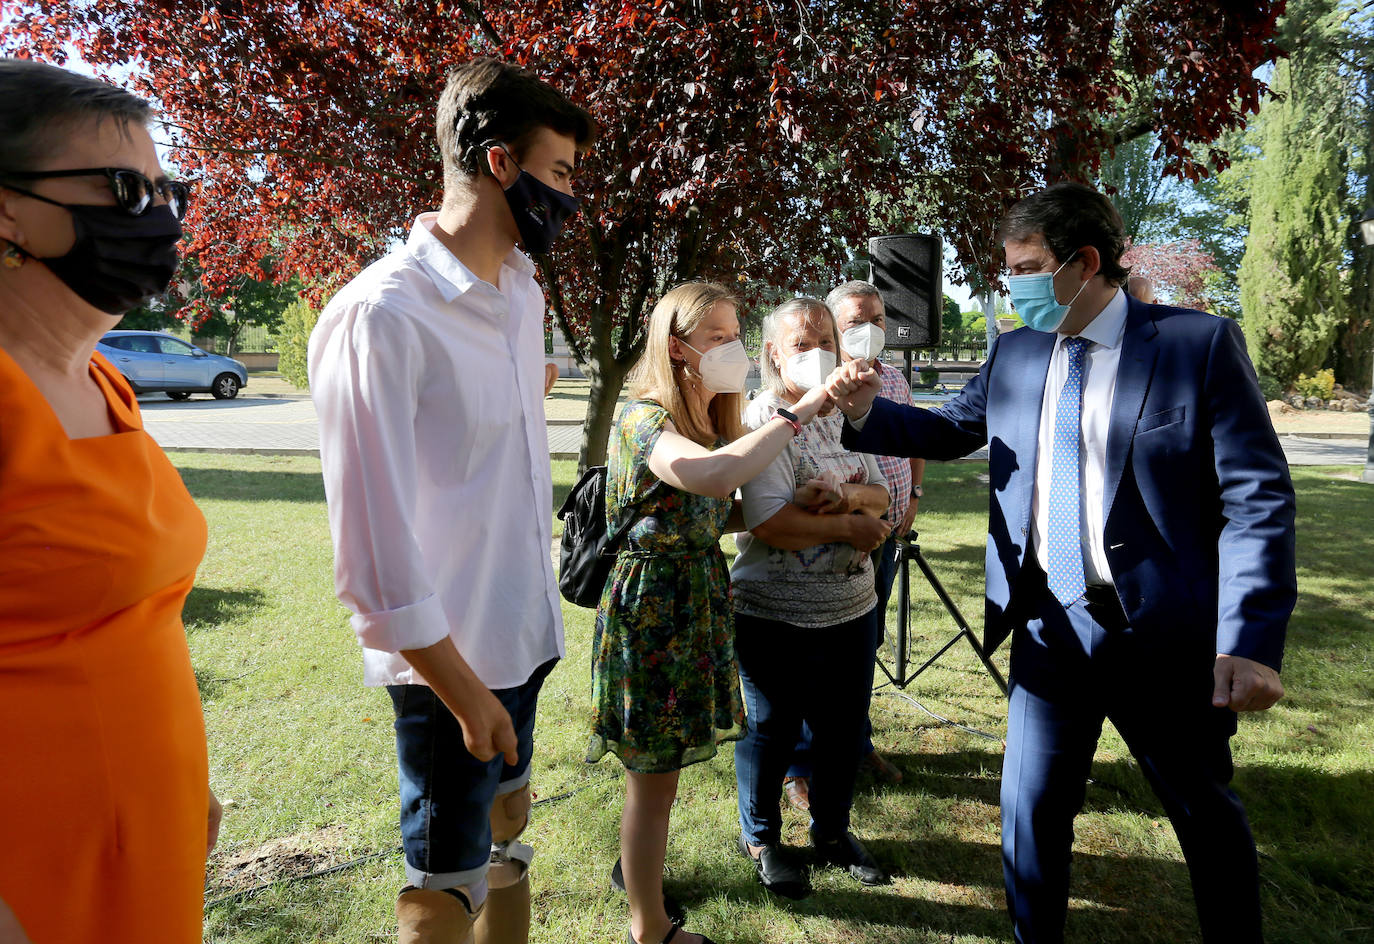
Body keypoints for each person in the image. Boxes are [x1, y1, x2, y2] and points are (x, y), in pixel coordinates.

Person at [827, 181, 1296, 943]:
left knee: (1203, 815)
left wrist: (1247, 639)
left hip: (1166, 638)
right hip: (1048, 629)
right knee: (1030, 815)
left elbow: (1258, 499)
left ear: (1085, 262)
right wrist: (861, 413)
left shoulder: (1194, 345)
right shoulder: (1014, 349)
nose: (1011, 284)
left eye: (1025, 266)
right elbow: (952, 430)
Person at [308, 58, 594, 944]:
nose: (572, 199)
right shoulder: (382, 315)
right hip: (450, 669)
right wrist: (467, 697)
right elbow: (374, 560)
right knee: (442, 892)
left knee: (507, 848)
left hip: (523, 636)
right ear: (500, 164)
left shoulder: (521, 294)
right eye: (562, 174)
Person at [0, 59, 220, 943]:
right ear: (8, 206)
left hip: (149, 843)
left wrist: (186, 783)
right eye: (125, 188)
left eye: (169, 189)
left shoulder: (100, 379)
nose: (159, 218)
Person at [589, 282, 832, 944]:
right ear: (678, 347)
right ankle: (649, 928)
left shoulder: (703, 420)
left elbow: (706, 510)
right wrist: (796, 414)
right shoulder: (643, 420)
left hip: (692, 602)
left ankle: (638, 883)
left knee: (660, 778)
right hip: (653, 616)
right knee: (653, 782)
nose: (734, 349)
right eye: (718, 337)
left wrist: (798, 502)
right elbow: (708, 478)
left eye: (735, 335)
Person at [731, 297, 894, 900]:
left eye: (824, 337)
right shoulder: (763, 419)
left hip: (851, 607)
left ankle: (831, 833)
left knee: (840, 726)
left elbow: (880, 497)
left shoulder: (845, 417)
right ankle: (763, 838)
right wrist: (846, 525)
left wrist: (848, 501)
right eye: (800, 343)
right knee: (770, 728)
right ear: (772, 353)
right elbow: (768, 521)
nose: (816, 349)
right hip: (774, 611)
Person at [779, 281, 924, 813]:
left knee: (863, 646)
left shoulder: (895, 380)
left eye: (881, 319)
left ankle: (854, 745)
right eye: (857, 321)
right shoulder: (825, 393)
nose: (871, 330)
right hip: (820, 547)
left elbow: (911, 443)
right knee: (806, 658)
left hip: (883, 532)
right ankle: (799, 767)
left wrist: (915, 494)